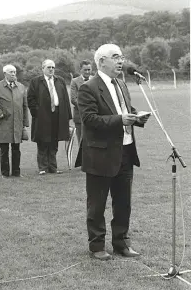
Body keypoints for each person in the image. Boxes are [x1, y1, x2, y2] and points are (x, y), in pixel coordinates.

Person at [77, 44, 151, 260]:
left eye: (122, 57)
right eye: (115, 57)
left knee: (123, 202)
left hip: (126, 152)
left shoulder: (121, 84)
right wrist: (121, 120)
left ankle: (122, 244)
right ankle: (97, 246)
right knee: (97, 204)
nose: (121, 61)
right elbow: (89, 120)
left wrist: (137, 117)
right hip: (100, 155)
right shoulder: (88, 88)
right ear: (101, 62)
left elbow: (124, 110)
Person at [27, 59, 72, 175]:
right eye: (48, 67)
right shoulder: (36, 81)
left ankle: (53, 167)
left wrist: (67, 116)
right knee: (42, 142)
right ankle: (43, 167)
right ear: (43, 69)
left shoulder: (60, 80)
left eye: (53, 67)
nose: (51, 69)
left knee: (54, 142)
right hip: (42, 116)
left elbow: (66, 99)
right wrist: (37, 113)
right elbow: (30, 99)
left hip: (58, 115)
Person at [0, 64, 29, 178]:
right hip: (4, 123)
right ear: (5, 74)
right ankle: (5, 173)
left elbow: (25, 106)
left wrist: (25, 123)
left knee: (16, 149)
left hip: (17, 124)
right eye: (11, 72)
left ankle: (16, 172)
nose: (13, 74)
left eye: (14, 72)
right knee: (4, 150)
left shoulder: (21, 87)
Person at [70, 60, 93, 143]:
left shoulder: (96, 80)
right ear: (80, 70)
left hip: (95, 117)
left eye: (89, 69)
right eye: (85, 70)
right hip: (80, 117)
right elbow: (73, 99)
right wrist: (87, 108)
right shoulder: (75, 81)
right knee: (82, 143)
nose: (87, 72)